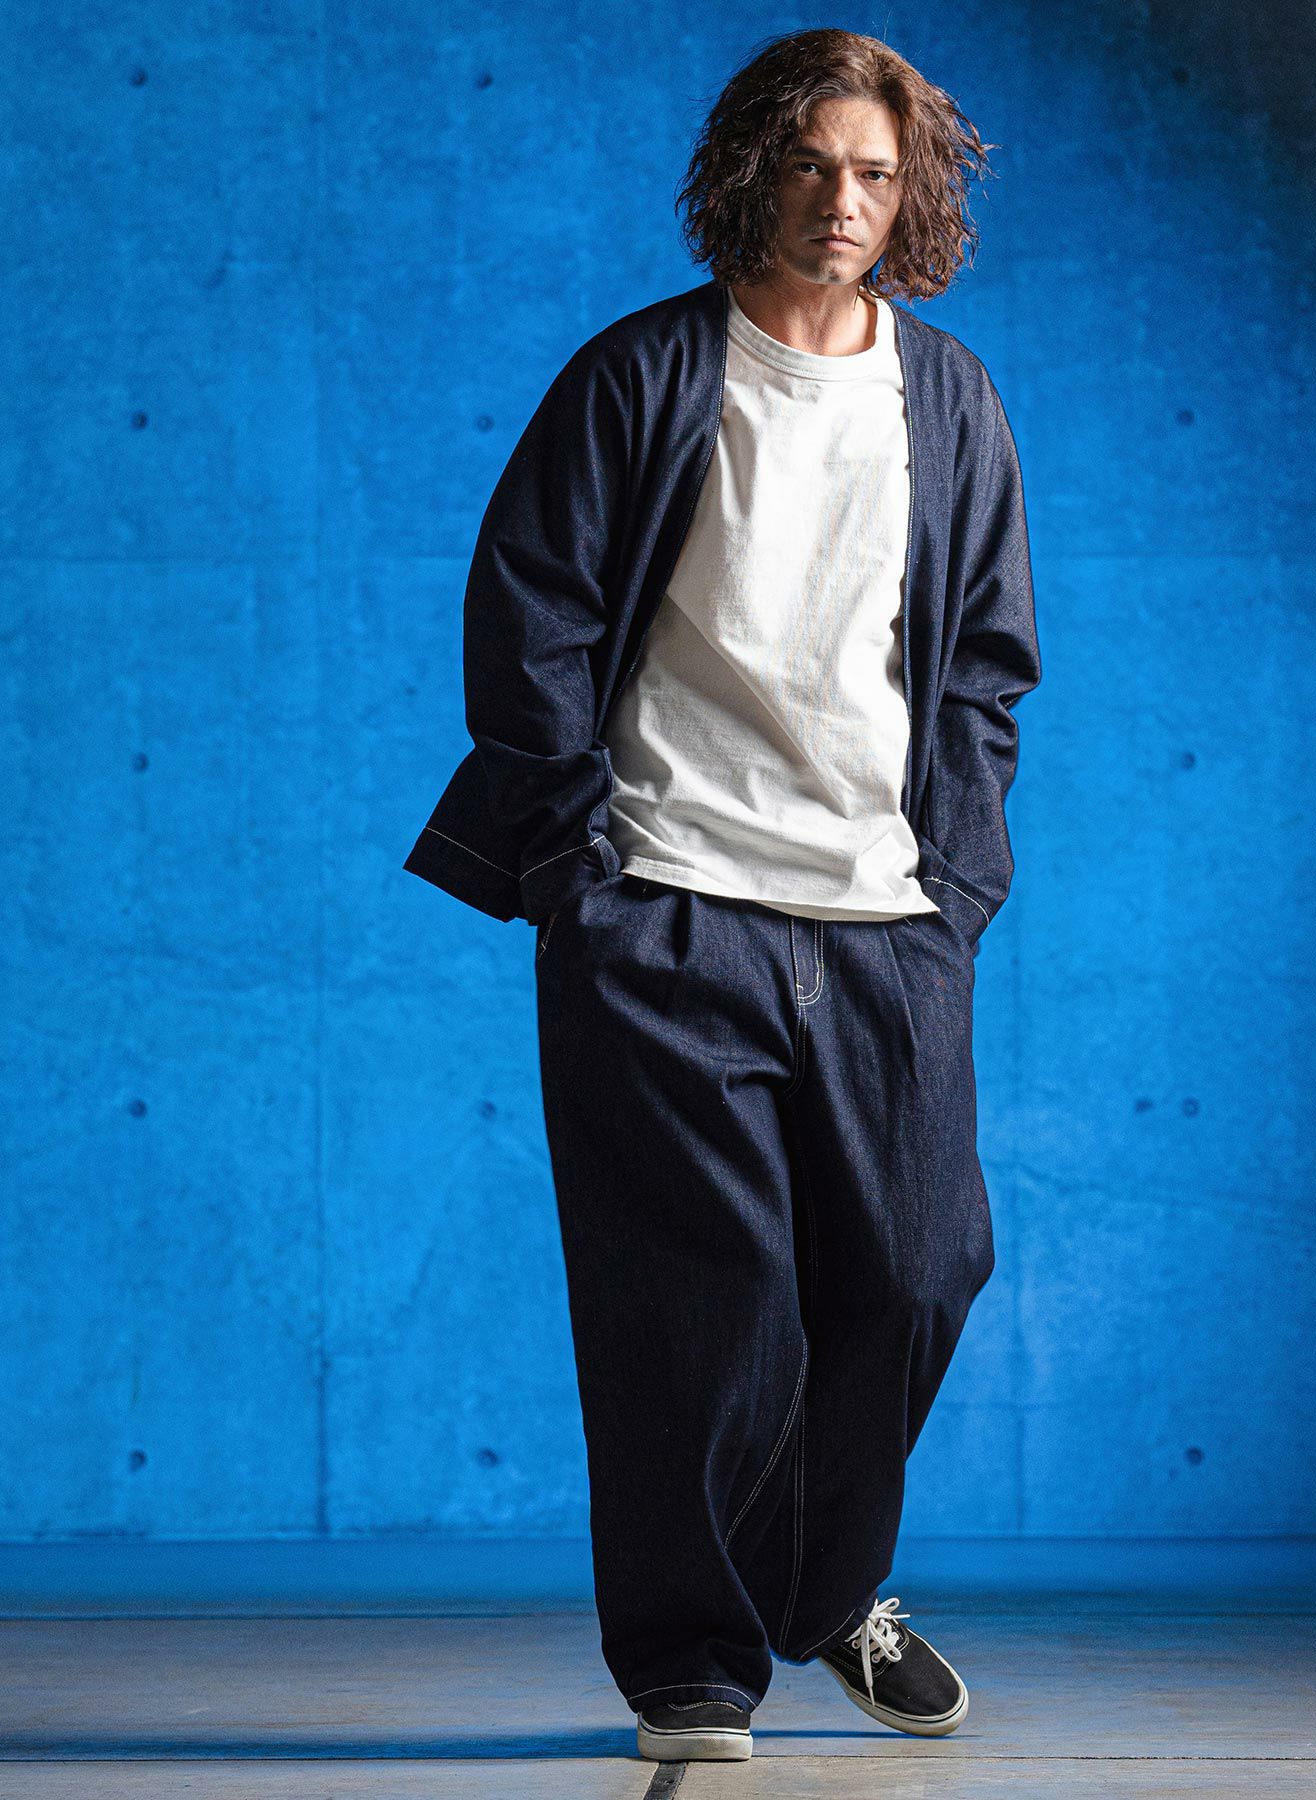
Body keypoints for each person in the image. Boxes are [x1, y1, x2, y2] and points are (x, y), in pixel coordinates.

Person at [402, 27, 1041, 1765]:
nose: (844, 201)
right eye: (815, 164)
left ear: (912, 195)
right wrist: (581, 871)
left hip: (884, 919)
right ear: (755, 169)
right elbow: (528, 618)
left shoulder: (949, 399)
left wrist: (956, 884)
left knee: (921, 1270)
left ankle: (827, 1591)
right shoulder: (641, 374)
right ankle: (693, 1660)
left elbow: (984, 668)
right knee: (701, 1312)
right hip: (669, 903)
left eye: (876, 173)